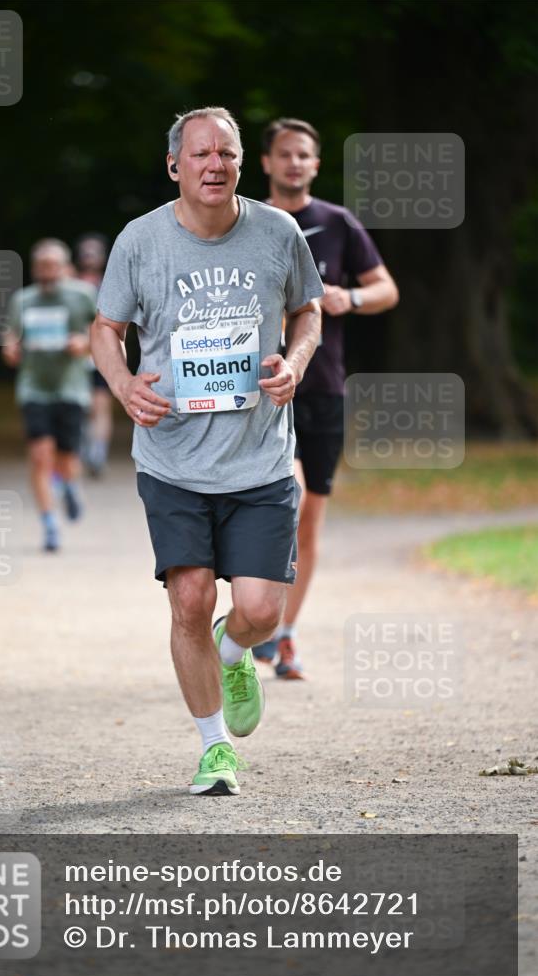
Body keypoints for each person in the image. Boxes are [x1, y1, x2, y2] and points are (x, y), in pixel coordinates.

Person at [91, 107, 323, 796]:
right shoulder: (140, 241)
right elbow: (106, 328)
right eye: (198, 154)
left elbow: (307, 308)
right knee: (188, 598)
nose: (213, 164)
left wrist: (297, 360)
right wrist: (124, 383)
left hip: (257, 458)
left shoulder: (277, 233)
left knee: (259, 614)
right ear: (174, 166)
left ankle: (234, 651)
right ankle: (214, 748)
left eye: (225, 152)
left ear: (240, 163)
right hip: (171, 458)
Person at [254, 118, 399, 678]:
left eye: (304, 156)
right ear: (266, 162)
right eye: (284, 154)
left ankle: (284, 633)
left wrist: (350, 297)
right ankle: (256, 617)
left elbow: (388, 289)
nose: (294, 163)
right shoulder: (250, 222)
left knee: (309, 519)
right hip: (262, 391)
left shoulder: (337, 223)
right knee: (285, 497)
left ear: (315, 165)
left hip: (323, 388)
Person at [2, 239, 95, 552]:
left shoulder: (81, 296)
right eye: (41, 266)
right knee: (40, 456)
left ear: (64, 266)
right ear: (34, 268)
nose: (47, 272)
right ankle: (50, 525)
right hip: (34, 387)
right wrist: (10, 349)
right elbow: (11, 337)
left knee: (66, 457)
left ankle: (69, 485)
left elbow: (104, 331)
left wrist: (84, 343)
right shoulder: (23, 300)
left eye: (53, 265)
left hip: (71, 387)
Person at [74, 233, 115, 475]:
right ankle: (80, 448)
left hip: (101, 353)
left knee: (101, 405)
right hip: (76, 356)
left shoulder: (112, 283)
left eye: (94, 252)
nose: (89, 257)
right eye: (85, 252)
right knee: (80, 405)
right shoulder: (69, 283)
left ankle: (97, 453)